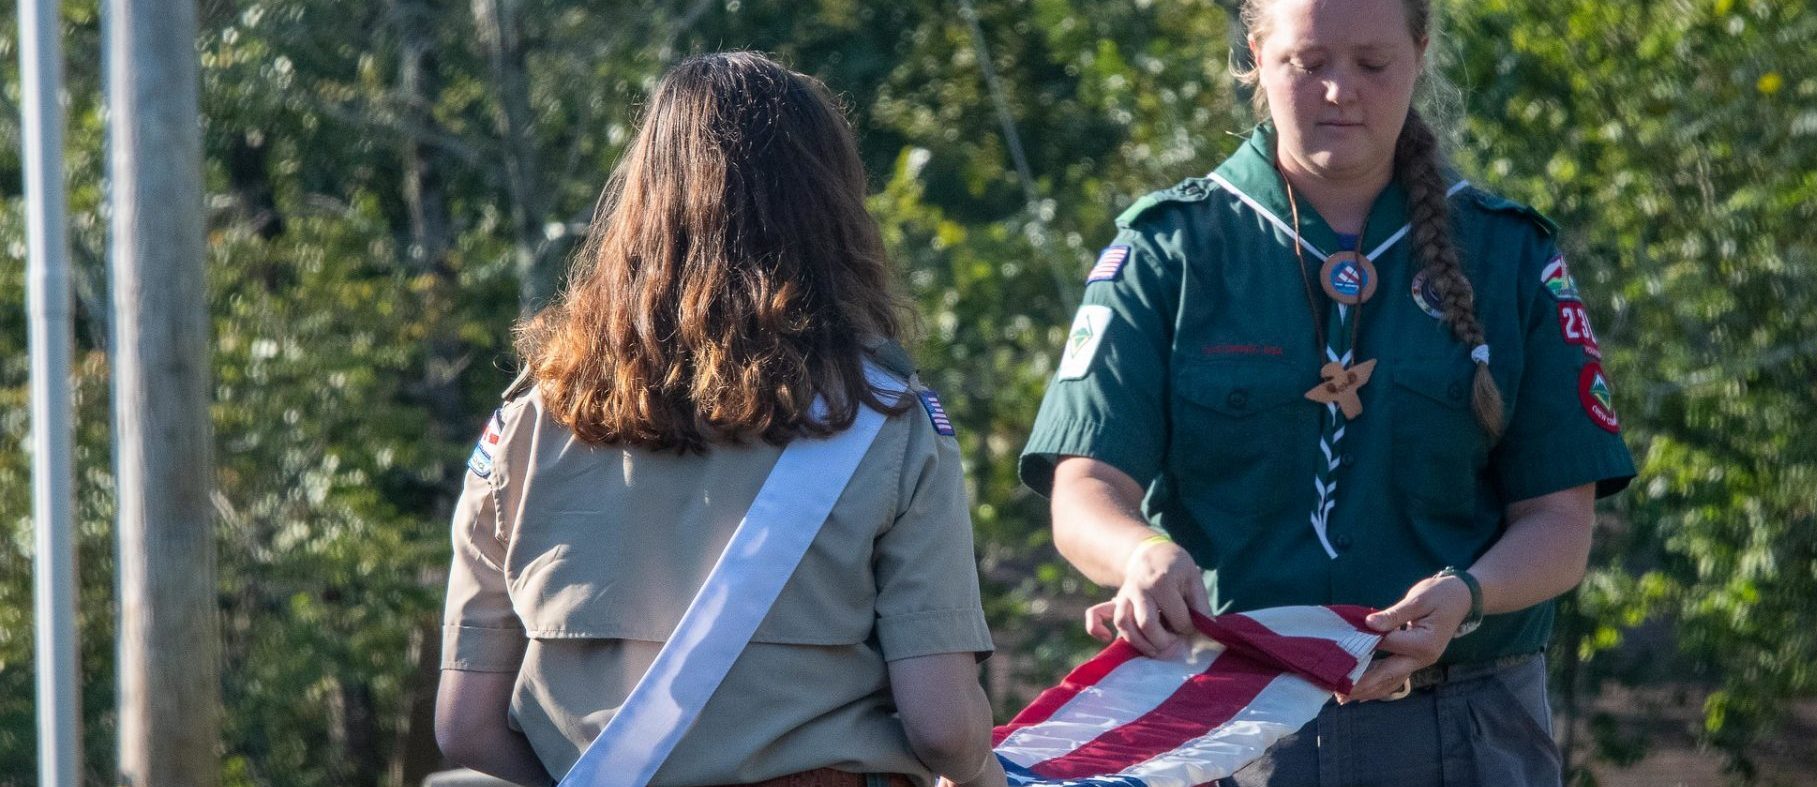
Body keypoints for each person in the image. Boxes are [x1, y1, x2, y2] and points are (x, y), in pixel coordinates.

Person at [1019, 0, 1636, 784]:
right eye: (1309, 65)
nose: (1340, 91)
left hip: (1465, 726)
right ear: (1255, 53)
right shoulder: (1167, 248)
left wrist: (1466, 594)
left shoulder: (1509, 253)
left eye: (1372, 65)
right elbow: (1086, 488)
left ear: (1419, 52)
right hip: (1223, 726)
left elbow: (1559, 522)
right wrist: (1141, 553)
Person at [434, 52, 1006, 787]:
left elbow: (465, 724)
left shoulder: (526, 424)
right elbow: (945, 727)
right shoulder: (884, 418)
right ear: (832, 208)